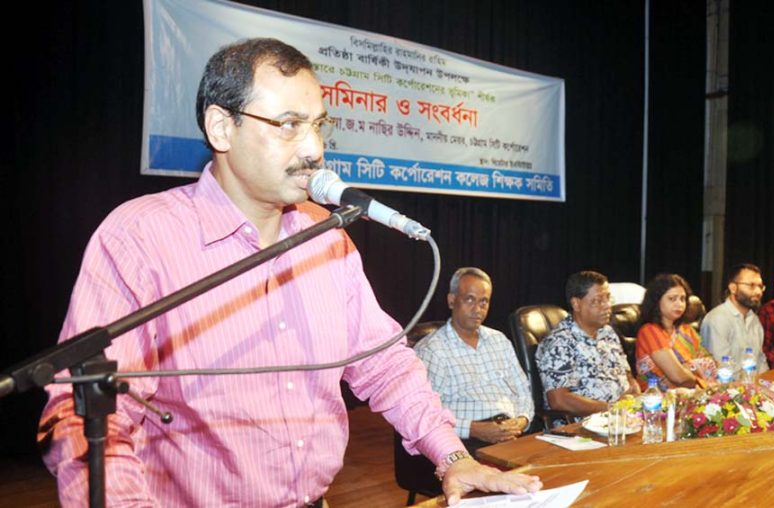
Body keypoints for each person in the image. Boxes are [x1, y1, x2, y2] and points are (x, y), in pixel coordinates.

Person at [37, 38, 540, 506]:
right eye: (288, 124)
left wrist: (453, 456)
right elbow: (84, 418)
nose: (314, 149)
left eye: (318, 124)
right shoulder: (141, 238)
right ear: (220, 127)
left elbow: (384, 366)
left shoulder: (325, 235)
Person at [414, 267, 533, 450]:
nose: (477, 309)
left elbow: (523, 390)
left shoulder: (499, 340)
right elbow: (426, 413)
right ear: (452, 301)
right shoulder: (432, 350)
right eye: (469, 299)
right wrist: (473, 429)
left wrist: (523, 419)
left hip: (511, 433)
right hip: (465, 440)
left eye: (484, 302)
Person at [535, 271, 640, 418]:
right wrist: (612, 408)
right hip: (582, 427)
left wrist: (634, 391)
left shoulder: (608, 333)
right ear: (576, 304)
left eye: (608, 298)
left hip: (623, 418)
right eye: (597, 301)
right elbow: (559, 400)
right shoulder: (559, 343)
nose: (607, 306)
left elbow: (627, 374)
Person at [635, 274, 717, 389]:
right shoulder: (649, 331)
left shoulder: (687, 330)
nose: (679, 304)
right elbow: (678, 377)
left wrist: (690, 368)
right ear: (657, 301)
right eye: (672, 299)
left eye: (682, 299)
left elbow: (710, 364)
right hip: (656, 399)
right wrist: (697, 373)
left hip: (693, 394)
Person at [700, 263, 770, 374]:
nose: (758, 292)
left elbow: (760, 361)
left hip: (752, 387)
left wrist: (768, 385)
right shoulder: (717, 319)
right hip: (725, 388)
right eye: (751, 285)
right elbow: (721, 367)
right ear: (733, 288)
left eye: (760, 286)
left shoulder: (754, 320)